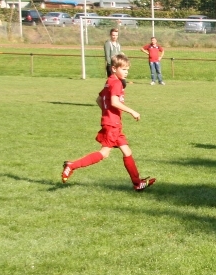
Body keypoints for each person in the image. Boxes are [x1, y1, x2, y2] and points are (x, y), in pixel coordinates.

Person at [61, 53, 155, 191]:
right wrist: (132, 111)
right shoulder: (116, 83)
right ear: (114, 69)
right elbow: (114, 102)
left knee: (127, 151)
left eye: (127, 69)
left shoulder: (109, 81)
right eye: (123, 69)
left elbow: (99, 100)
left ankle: (137, 183)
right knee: (104, 153)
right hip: (112, 125)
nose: (126, 72)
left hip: (112, 123)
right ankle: (72, 165)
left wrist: (107, 113)